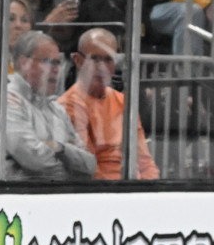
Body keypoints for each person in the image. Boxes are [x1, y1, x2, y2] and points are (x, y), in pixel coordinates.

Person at [0, 30, 95, 181]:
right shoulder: (5, 102)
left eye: (57, 62)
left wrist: (60, 148)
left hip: (58, 198)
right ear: (23, 63)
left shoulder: (57, 110)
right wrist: (70, 169)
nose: (56, 69)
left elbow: (89, 165)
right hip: (13, 199)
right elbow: (35, 162)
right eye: (47, 61)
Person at [57, 28, 159, 180]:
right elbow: (89, 170)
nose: (102, 67)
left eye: (108, 59)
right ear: (78, 60)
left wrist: (152, 189)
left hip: (135, 189)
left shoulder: (124, 102)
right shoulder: (68, 106)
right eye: (95, 59)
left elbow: (145, 161)